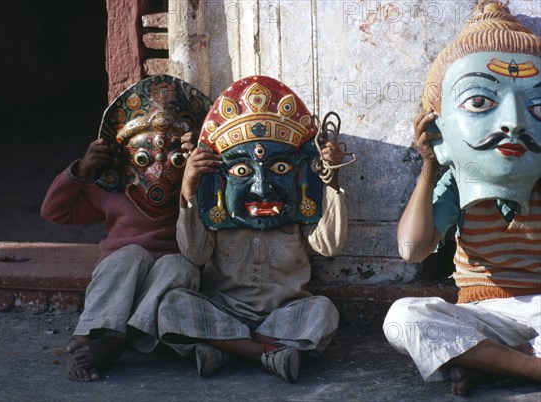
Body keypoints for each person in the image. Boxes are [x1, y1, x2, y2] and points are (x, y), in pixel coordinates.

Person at [383, 0, 541, 396]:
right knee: (402, 319)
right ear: (439, 128)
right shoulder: (455, 181)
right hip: (481, 312)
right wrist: (429, 164)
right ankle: (528, 367)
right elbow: (412, 250)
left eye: (535, 104)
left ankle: (486, 362)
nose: (513, 122)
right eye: (479, 102)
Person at [157, 76, 349, 382]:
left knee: (323, 311)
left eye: (281, 169)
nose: (261, 189)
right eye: (242, 171)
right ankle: (265, 353)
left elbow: (329, 246)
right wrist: (189, 186)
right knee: (172, 304)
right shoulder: (218, 214)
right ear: (221, 177)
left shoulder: (294, 211)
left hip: (284, 312)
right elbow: (194, 254)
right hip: (223, 309)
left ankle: (228, 349)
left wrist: (331, 182)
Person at [40, 75, 211, 382]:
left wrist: (195, 177)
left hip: (160, 301)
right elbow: (54, 211)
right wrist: (83, 169)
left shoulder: (193, 190)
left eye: (172, 158)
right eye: (144, 157)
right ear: (125, 158)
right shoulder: (113, 191)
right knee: (130, 254)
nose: (158, 169)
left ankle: (115, 343)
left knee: (179, 265)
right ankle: (85, 338)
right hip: (119, 290)